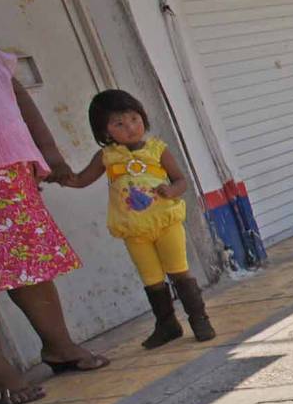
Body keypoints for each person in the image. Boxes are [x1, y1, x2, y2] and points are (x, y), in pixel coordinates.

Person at [0, 12, 108, 404]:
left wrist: (49, 153)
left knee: (28, 264)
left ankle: (60, 346)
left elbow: (11, 91)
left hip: (1, 172)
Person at [59, 90, 214, 349]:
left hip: (165, 223)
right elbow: (80, 180)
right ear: (105, 131)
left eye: (134, 118)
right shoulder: (106, 157)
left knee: (179, 272)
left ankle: (199, 319)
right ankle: (167, 325)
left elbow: (181, 180)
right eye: (119, 123)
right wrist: (57, 175)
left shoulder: (157, 149)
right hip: (133, 230)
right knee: (151, 278)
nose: (130, 127)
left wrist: (171, 191)